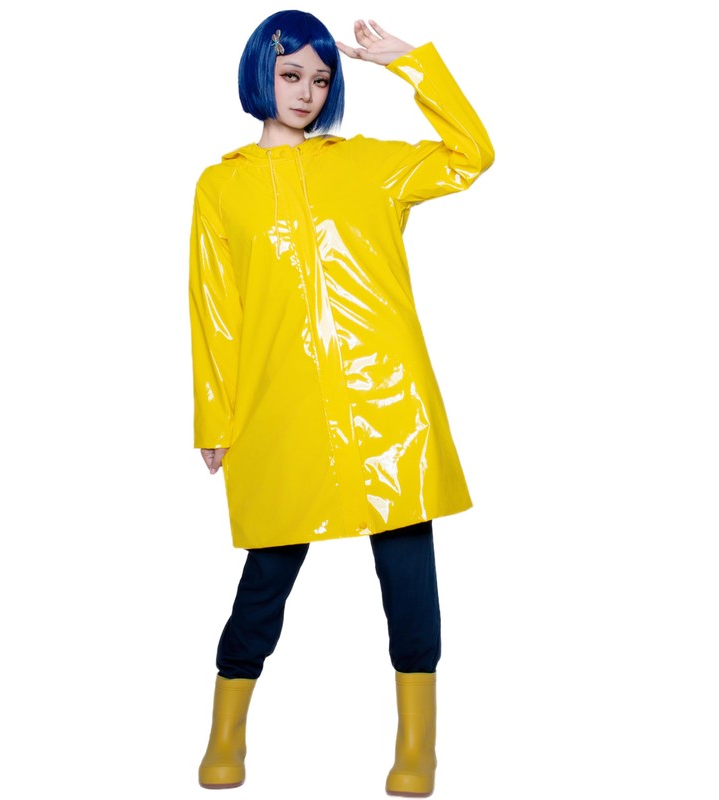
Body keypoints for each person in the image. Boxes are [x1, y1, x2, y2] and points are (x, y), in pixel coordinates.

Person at [188, 10, 494, 796]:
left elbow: (472, 154)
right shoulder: (222, 186)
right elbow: (216, 310)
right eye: (291, 74)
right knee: (266, 577)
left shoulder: (370, 166)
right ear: (260, 74)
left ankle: (417, 746)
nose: (306, 92)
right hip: (281, 409)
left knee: (408, 577)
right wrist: (215, 419)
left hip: (389, 410)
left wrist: (412, 63)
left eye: (321, 79)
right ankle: (227, 734)